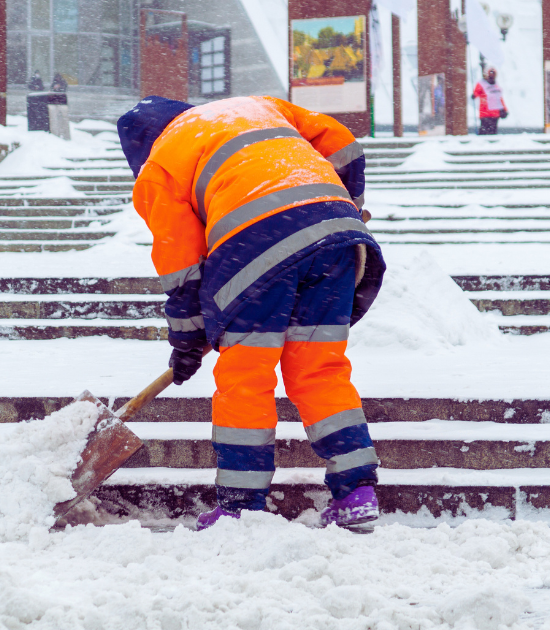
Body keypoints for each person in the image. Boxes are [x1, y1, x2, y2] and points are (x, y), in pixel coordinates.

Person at [118, 96, 386, 530]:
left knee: (247, 377)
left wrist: (187, 341)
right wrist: (349, 204)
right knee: (321, 370)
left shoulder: (158, 167)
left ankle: (241, 507)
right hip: (338, 239)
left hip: (254, 247)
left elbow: (182, 268)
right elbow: (345, 147)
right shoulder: (257, 107)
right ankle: (357, 492)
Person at [472, 67, 508, 135]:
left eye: (493, 74)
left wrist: (504, 109)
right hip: (485, 113)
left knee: (493, 132)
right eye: (490, 73)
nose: (492, 75)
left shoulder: (496, 85)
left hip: (495, 113)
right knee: (484, 132)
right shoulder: (481, 84)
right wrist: (474, 95)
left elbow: (499, 98)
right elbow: (477, 92)